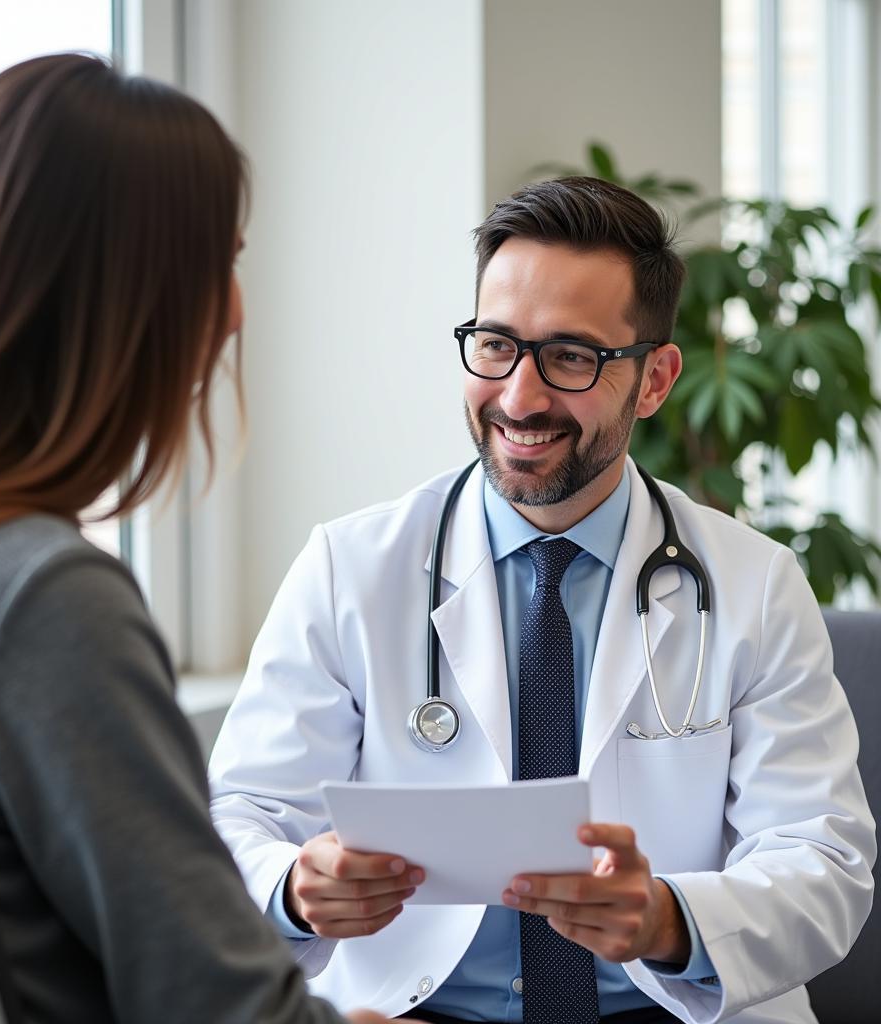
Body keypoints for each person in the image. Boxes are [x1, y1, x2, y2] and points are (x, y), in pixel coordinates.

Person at [207, 177, 876, 1024]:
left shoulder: (756, 585)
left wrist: (670, 920)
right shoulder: (351, 567)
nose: (520, 398)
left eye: (571, 357)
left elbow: (824, 858)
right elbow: (241, 815)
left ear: (657, 378)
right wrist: (294, 888)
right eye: (495, 345)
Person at [0, 53, 406, 1024]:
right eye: (220, 263)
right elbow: (222, 1005)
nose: (235, 311)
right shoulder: (39, 603)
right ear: (126, 295)